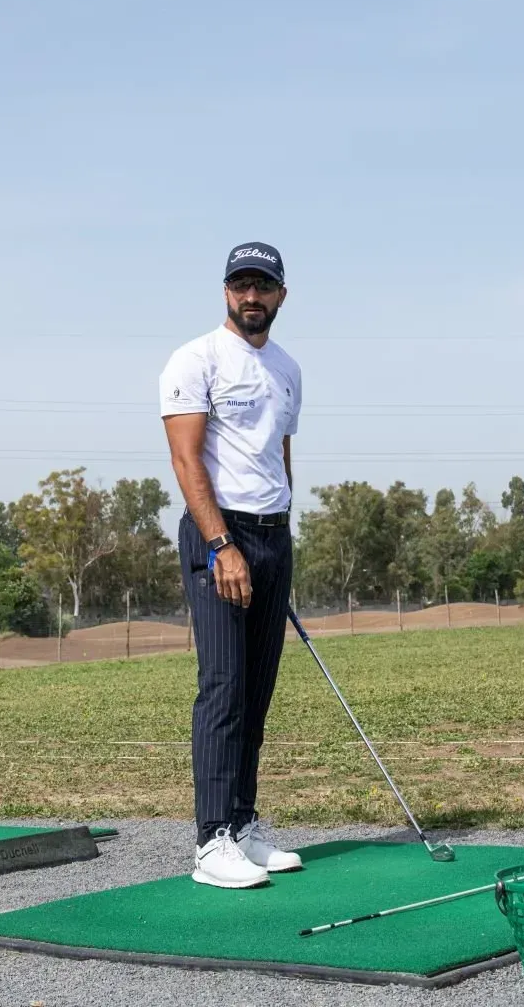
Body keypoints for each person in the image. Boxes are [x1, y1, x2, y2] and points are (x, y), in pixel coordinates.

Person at [160, 242, 305, 888]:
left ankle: (243, 825)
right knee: (223, 686)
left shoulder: (287, 368)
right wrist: (223, 546)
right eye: (241, 284)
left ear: (280, 295)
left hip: (273, 536)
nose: (251, 296)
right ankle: (211, 839)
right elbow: (186, 459)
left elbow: (279, 455)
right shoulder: (195, 359)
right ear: (225, 292)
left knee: (257, 690)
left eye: (262, 286)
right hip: (220, 533)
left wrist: (279, 541)